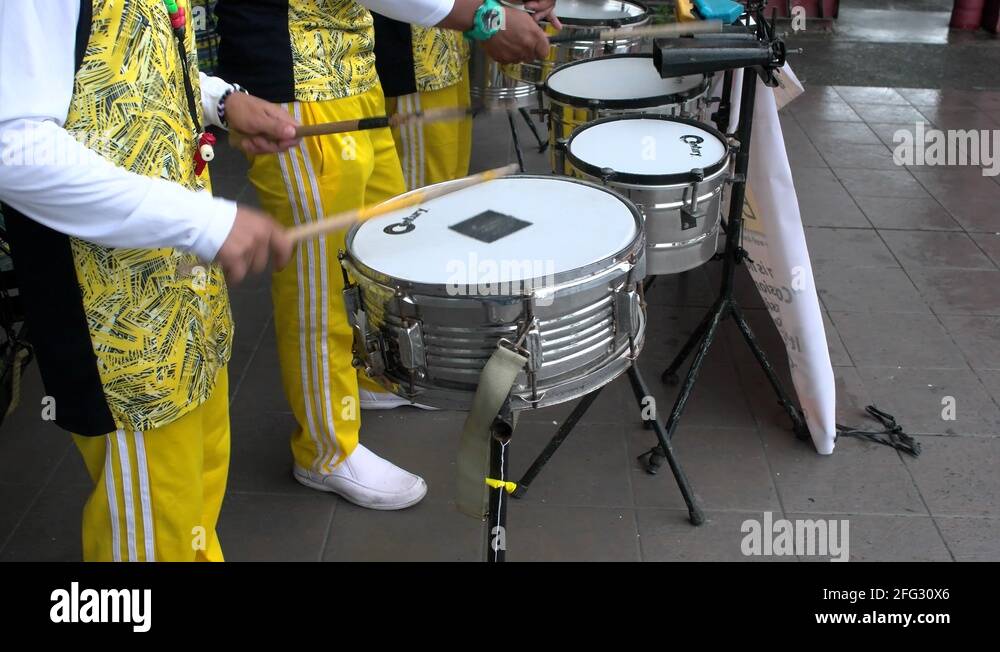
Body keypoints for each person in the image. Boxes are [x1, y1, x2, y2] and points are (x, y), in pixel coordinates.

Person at [215, 0, 550, 511]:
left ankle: (369, 377)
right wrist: (488, 18)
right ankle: (325, 450)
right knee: (318, 280)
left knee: (381, 247)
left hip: (351, 68)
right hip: (295, 83)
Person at [0, 0, 298, 561]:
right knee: (152, 537)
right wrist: (203, 221)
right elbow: (14, 145)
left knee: (193, 501)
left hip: (182, 293)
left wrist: (220, 101)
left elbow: (122, 57)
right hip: (118, 323)